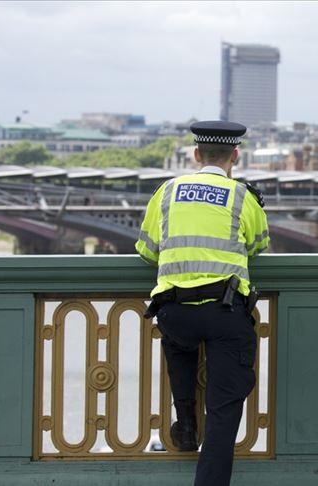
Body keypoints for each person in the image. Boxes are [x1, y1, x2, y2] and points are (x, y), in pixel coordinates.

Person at [135, 120, 269, 486]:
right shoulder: (242, 196)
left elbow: (147, 250)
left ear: (196, 155)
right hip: (225, 312)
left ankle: (186, 420)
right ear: (235, 157)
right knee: (224, 412)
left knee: (177, 342)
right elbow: (259, 245)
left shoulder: (166, 192)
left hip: (175, 309)